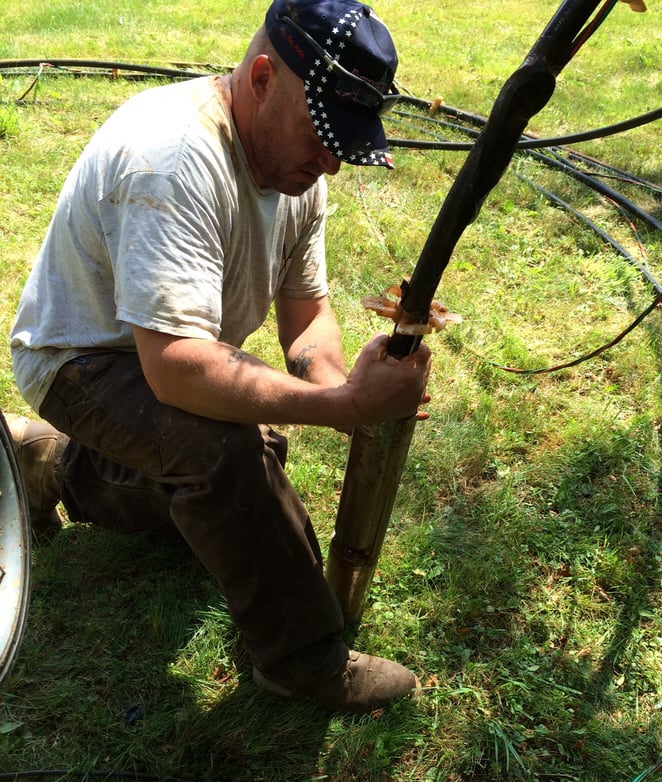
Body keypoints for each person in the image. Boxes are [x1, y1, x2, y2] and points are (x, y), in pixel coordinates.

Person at [6, 0, 432, 713]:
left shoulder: (298, 167)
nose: (329, 159)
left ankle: (47, 465)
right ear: (262, 77)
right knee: (229, 451)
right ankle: (301, 661)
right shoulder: (171, 159)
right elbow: (175, 366)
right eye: (321, 134)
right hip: (80, 360)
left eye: (344, 141)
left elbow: (307, 314)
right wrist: (341, 406)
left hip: (159, 355)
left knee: (242, 461)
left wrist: (341, 382)